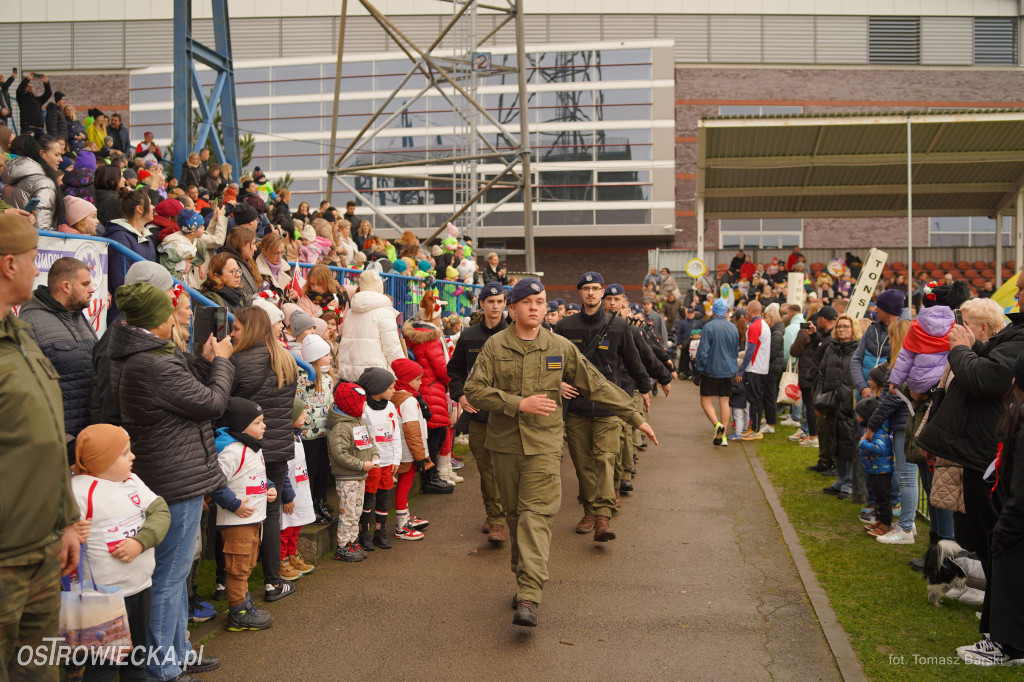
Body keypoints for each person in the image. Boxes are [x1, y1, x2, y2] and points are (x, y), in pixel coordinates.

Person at [464, 277, 658, 628]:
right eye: (528, 302)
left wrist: (634, 415)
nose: (536, 307)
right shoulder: (494, 347)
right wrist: (516, 403)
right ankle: (524, 573)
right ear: (513, 309)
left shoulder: (560, 347)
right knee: (513, 515)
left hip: (544, 447)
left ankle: (529, 594)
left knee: (535, 516)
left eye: (541, 301)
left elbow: (595, 383)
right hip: (504, 447)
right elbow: (474, 390)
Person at [109, 281, 233, 680]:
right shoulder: (152, 361)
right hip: (174, 476)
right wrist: (222, 363)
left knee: (175, 574)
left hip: (175, 471)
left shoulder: (150, 355)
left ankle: (178, 653)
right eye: (168, 312)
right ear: (156, 321)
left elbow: (186, 391)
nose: (172, 318)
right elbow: (212, 402)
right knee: (167, 578)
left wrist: (203, 360)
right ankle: (162, 667)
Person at [0, 216, 83, 681]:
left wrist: (66, 519)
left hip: (41, 550)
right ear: (10, 264)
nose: (38, 269)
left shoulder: (20, 339)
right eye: (33, 259)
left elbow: (46, 440)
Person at [917, 268, 1024, 618]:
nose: (1016, 297)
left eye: (1021, 291)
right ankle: (995, 611)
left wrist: (962, 351)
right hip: (975, 449)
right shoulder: (1012, 337)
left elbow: (989, 378)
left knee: (994, 536)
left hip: (985, 451)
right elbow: (990, 365)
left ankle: (1000, 621)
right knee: (981, 534)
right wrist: (972, 348)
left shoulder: (1018, 338)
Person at [70, 424, 171, 680]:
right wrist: (68, 529)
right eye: (125, 453)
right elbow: (52, 527)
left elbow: (160, 511)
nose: (132, 457)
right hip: (104, 599)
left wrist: (141, 541)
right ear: (101, 459)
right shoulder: (79, 490)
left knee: (136, 660)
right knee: (103, 667)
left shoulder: (132, 480)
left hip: (140, 587)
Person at [555, 271, 650, 540]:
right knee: (583, 464)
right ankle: (589, 510)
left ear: (603, 291)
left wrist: (645, 389)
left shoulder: (619, 326)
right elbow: (553, 362)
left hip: (608, 409)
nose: (591, 293)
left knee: (605, 460)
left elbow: (633, 362)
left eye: (596, 288)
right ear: (580, 293)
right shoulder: (565, 327)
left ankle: (603, 517)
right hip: (577, 409)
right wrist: (558, 382)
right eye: (586, 288)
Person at [956, 352, 1024, 666]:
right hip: (1012, 514)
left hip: (1015, 521)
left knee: (1009, 575)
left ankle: (1006, 646)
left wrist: (1005, 529)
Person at [228, 306, 299, 603]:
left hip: (244, 450)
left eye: (236, 328)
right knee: (270, 515)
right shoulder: (285, 358)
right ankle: (272, 581)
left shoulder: (236, 362)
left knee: (235, 512)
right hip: (277, 447)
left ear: (251, 329)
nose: (231, 333)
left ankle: (226, 582)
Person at [209, 397, 276, 631]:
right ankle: (238, 612)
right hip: (237, 521)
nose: (264, 426)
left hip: (254, 519)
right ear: (241, 425)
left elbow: (256, 473)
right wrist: (235, 504)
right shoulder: (231, 453)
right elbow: (215, 483)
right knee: (237, 567)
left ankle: (245, 604)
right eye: (258, 422)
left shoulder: (251, 447)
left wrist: (269, 486)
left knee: (247, 564)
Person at [17, 257, 97, 451]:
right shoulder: (30, 322)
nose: (92, 289)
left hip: (89, 438)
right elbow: (28, 390)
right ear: (66, 286)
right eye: (85, 284)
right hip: (59, 443)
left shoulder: (78, 316)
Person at [447, 281, 506, 529]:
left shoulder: (514, 332)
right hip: (478, 413)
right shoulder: (469, 335)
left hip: (507, 413)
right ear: (481, 304)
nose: (495, 306)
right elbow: (456, 371)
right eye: (490, 302)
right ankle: (495, 518)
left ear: (505, 304)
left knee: (505, 468)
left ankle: (504, 514)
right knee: (486, 467)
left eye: (499, 302)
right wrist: (460, 395)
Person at [402, 291, 456, 481]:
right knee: (436, 436)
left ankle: (431, 476)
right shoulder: (430, 337)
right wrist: (455, 382)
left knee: (431, 434)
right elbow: (443, 369)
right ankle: (430, 478)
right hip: (433, 389)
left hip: (423, 388)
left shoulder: (414, 333)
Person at [327, 382, 378, 562]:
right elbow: (340, 454)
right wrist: (361, 465)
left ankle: (352, 540)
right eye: (362, 402)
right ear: (351, 404)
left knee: (356, 511)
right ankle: (342, 546)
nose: (365, 405)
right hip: (347, 476)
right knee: (347, 512)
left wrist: (374, 456)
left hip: (360, 475)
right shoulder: (341, 427)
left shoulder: (359, 421)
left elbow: (369, 442)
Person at [390, 358, 439, 536]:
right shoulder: (408, 400)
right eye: (417, 379)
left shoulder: (398, 396)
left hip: (404, 450)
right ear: (407, 379)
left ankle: (405, 516)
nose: (421, 382)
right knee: (404, 486)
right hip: (408, 452)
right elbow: (412, 431)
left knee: (404, 485)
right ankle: (402, 525)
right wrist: (420, 457)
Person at [354, 367, 402, 550]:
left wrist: (397, 459)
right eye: (390, 387)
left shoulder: (390, 407)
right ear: (377, 388)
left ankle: (380, 533)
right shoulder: (364, 409)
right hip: (372, 463)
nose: (394, 390)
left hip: (388, 462)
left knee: (383, 497)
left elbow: (395, 433)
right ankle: (363, 533)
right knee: (368, 498)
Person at [817, 313, 862, 499]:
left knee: (849, 443)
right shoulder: (831, 348)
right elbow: (821, 373)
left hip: (849, 404)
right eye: (839, 326)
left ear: (854, 329)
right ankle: (841, 479)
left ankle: (849, 483)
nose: (842, 329)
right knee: (834, 442)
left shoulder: (858, 350)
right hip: (831, 404)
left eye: (846, 326)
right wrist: (818, 399)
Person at [336, 269, 404, 382]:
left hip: (349, 374)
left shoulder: (350, 312)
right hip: (376, 375)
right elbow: (392, 348)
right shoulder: (385, 312)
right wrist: (404, 371)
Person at [298, 334, 336, 525]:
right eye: (326, 355)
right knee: (310, 471)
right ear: (315, 357)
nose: (330, 358)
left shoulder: (329, 378)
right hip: (308, 435)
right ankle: (309, 507)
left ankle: (320, 503)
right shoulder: (303, 378)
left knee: (323, 470)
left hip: (324, 432)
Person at [693, 299, 739, 446]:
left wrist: (699, 369)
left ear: (713, 311)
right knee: (724, 401)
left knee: (706, 401)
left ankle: (716, 424)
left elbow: (703, 351)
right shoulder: (733, 328)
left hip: (711, 370)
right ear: (726, 311)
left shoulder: (709, 327)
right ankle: (723, 435)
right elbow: (735, 350)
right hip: (728, 370)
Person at [850, 288, 907, 397]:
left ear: (888, 309)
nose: (875, 310)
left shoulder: (905, 331)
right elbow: (856, 359)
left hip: (889, 397)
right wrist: (863, 388)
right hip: (864, 396)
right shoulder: (872, 328)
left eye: (878, 307)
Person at [3, 133, 63, 230]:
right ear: (42, 153)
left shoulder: (14, 177)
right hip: (30, 241)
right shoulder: (44, 183)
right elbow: (42, 228)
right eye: (57, 155)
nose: (61, 159)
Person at [856, 398, 895, 538]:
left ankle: (885, 524)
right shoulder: (871, 429)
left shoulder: (879, 431)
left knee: (883, 498)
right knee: (878, 498)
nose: (857, 417)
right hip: (875, 469)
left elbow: (879, 448)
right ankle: (879, 520)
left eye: (858, 413)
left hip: (882, 471)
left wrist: (863, 443)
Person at [737, 300, 771, 440]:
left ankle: (755, 429)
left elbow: (750, 349)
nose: (745, 312)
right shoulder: (764, 325)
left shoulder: (754, 326)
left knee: (754, 400)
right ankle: (754, 427)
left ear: (751, 310)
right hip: (762, 367)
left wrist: (741, 370)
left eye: (747, 310)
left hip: (755, 368)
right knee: (756, 399)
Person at [255, 233, 294, 301]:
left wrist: (294, 295)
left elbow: (290, 291)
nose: (280, 257)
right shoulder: (256, 270)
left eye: (282, 252)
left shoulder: (286, 268)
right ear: (264, 251)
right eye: (276, 253)